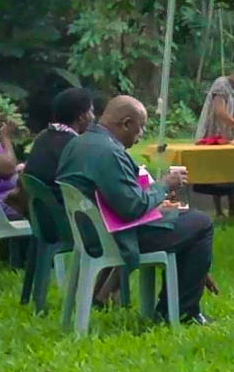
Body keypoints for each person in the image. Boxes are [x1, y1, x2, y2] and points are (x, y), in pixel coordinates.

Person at [55, 96, 214, 324]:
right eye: (141, 127)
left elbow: (122, 194)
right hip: (115, 236)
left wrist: (154, 194)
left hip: (90, 231)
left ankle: (175, 307)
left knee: (186, 221)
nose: (141, 134)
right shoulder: (108, 152)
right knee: (201, 223)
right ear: (127, 123)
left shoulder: (78, 143)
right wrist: (165, 185)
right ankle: (181, 312)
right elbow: (132, 207)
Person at [24, 87, 95, 190]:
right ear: (82, 117)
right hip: (59, 204)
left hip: (35, 202)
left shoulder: (43, 137)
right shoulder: (76, 146)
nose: (93, 117)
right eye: (91, 111)